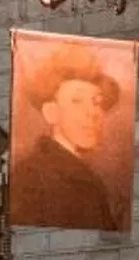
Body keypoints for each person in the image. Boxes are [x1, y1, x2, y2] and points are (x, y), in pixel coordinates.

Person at [10, 48, 130, 232]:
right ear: (51, 112)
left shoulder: (92, 181)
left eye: (97, 102)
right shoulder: (30, 177)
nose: (93, 113)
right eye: (76, 101)